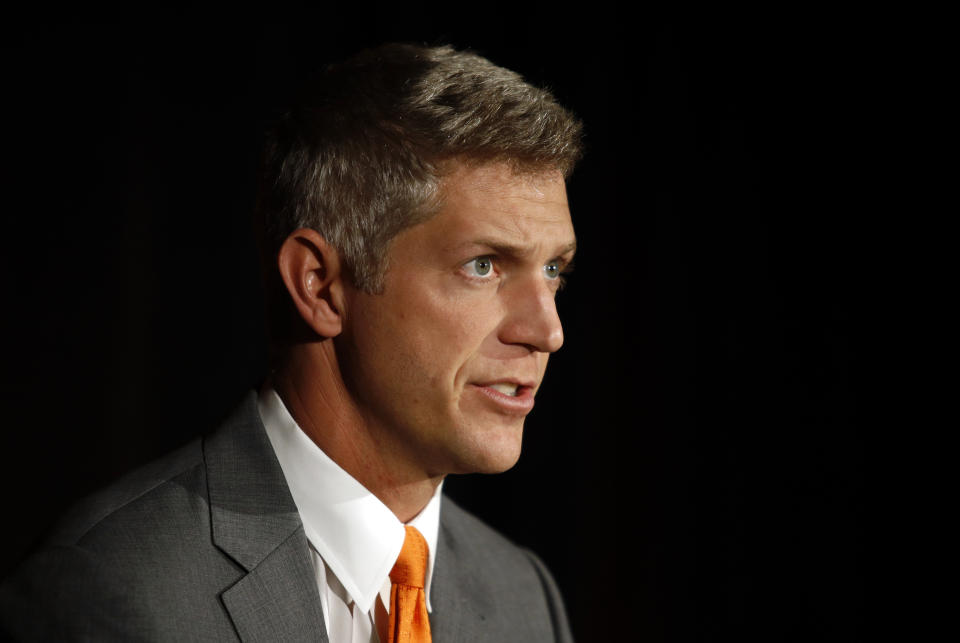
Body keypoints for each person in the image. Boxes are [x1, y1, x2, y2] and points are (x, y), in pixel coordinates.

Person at [0, 43, 582, 642]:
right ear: (320, 286)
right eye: (483, 266)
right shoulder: (112, 589)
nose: (547, 331)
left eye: (554, 271)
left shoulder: (523, 597)